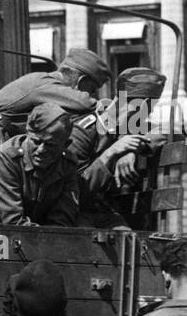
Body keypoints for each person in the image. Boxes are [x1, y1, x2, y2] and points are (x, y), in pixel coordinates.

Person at [0, 47, 108, 191]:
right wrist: (111, 107)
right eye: (92, 89)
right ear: (81, 81)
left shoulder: (43, 80)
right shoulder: (47, 84)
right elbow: (83, 103)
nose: (93, 94)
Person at [69, 67, 167, 227]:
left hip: (104, 213)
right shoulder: (84, 130)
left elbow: (164, 133)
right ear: (122, 102)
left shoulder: (129, 129)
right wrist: (111, 153)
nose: (145, 117)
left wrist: (132, 147)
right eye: (142, 110)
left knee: (129, 243)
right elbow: (76, 191)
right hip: (75, 214)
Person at [0, 103, 80, 227]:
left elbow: (63, 219)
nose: (41, 150)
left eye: (50, 144)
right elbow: (11, 221)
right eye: (36, 142)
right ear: (27, 135)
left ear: (66, 145)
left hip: (39, 235)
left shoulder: (67, 164)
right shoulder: (5, 160)